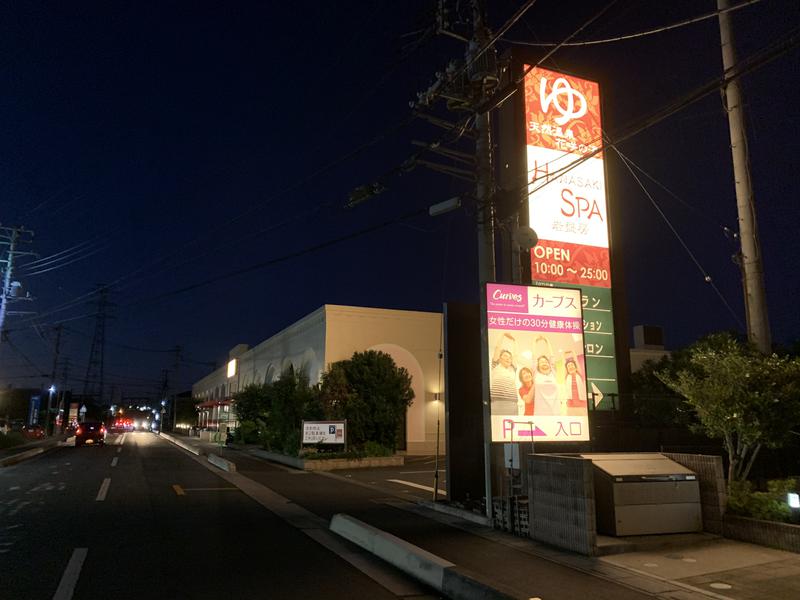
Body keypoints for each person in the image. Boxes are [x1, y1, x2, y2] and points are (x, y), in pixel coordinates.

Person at [490, 332, 519, 415]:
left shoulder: (512, 369)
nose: (508, 358)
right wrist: (502, 335)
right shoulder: (496, 366)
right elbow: (497, 348)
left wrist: (514, 341)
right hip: (497, 403)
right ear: (499, 358)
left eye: (510, 357)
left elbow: (516, 355)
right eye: (505, 356)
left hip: (512, 404)